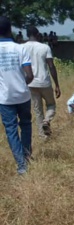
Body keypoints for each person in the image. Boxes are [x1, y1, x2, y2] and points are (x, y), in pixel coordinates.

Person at [0, 16, 34, 175]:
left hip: (4, 98)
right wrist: (21, 83)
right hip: (23, 96)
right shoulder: (21, 49)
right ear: (10, 29)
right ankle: (27, 155)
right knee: (26, 124)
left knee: (11, 130)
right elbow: (30, 75)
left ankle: (22, 166)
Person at [23, 26, 61, 139]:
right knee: (51, 105)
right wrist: (57, 85)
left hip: (30, 83)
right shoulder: (45, 47)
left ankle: (42, 136)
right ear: (38, 34)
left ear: (27, 35)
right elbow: (51, 66)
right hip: (44, 82)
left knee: (37, 110)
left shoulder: (22, 48)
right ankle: (47, 120)